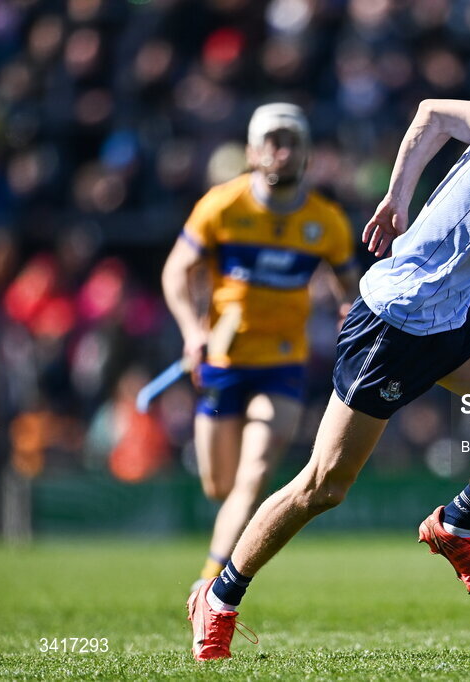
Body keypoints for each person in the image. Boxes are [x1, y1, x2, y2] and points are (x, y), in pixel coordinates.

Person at [187, 39, 470, 660]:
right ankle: (218, 597)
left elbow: (430, 114)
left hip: (445, 320)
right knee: (323, 485)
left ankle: (459, 522)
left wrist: (399, 194)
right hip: (392, 324)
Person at [162, 103, 358, 598]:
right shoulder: (221, 207)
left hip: (282, 365)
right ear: (252, 151)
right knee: (219, 485)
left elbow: (350, 289)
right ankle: (224, 542)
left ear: (307, 154)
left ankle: (210, 586)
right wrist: (191, 329)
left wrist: (351, 309)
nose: (282, 150)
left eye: (291, 141)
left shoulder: (325, 222)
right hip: (224, 363)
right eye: (272, 140)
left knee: (252, 478)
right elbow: (174, 272)